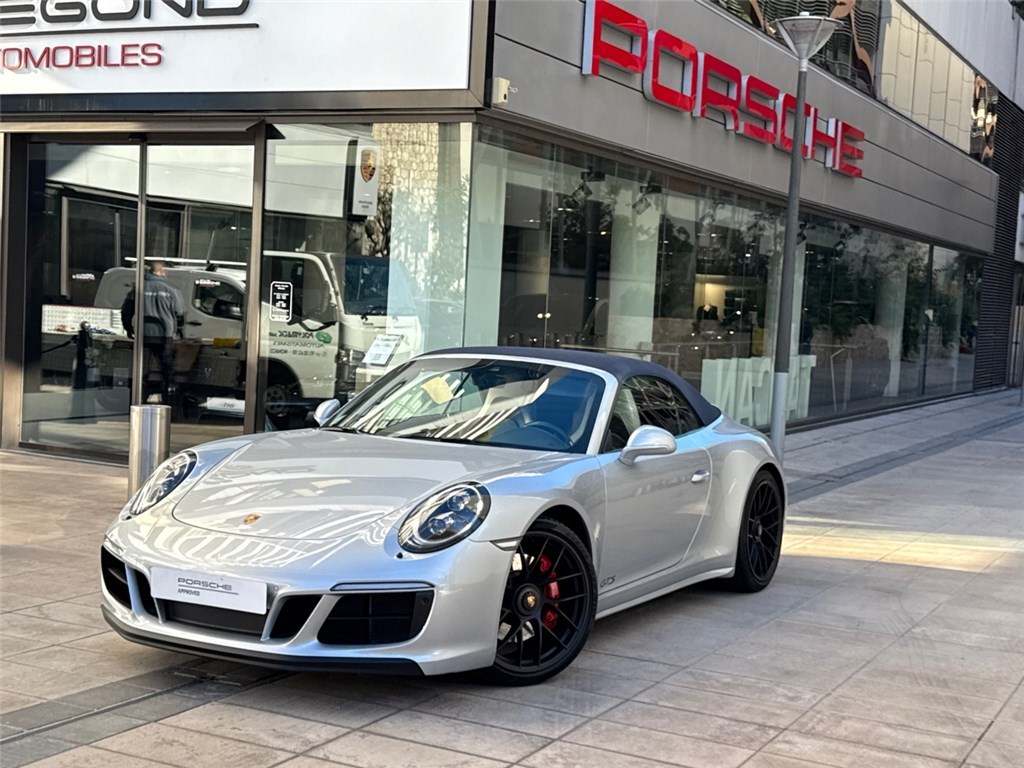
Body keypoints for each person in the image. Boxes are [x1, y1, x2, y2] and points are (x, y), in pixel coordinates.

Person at [121, 261, 185, 403]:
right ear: (162, 272)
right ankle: (168, 399)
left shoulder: (138, 289)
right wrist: (179, 331)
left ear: (149, 272)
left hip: (143, 335)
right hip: (164, 335)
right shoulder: (171, 290)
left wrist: (128, 328)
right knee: (166, 370)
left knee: (140, 369)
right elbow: (179, 313)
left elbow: (126, 311)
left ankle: (138, 398)